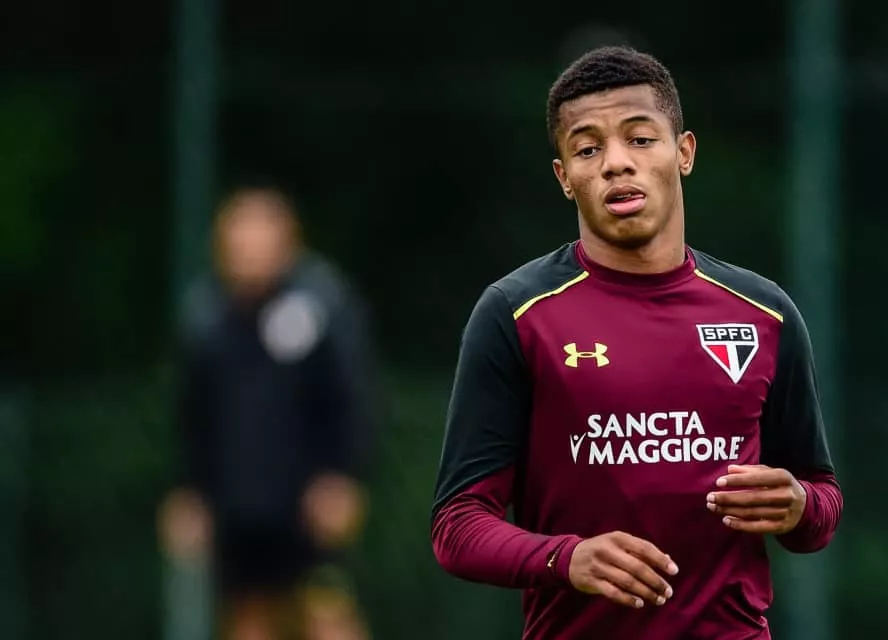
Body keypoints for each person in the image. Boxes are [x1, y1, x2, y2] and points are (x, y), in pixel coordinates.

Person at [431, 46, 843, 639]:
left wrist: (799, 505)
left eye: (640, 139)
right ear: (564, 178)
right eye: (588, 149)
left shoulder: (765, 314)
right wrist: (566, 558)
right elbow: (457, 526)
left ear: (684, 152)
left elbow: (821, 502)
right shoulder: (515, 314)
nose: (616, 163)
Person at [159, 184, 376, 640]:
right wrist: (190, 491)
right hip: (239, 504)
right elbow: (192, 417)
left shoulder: (323, 307)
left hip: (308, 504)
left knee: (325, 609)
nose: (248, 252)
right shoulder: (205, 320)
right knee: (248, 617)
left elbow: (351, 398)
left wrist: (342, 475)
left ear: (287, 242)